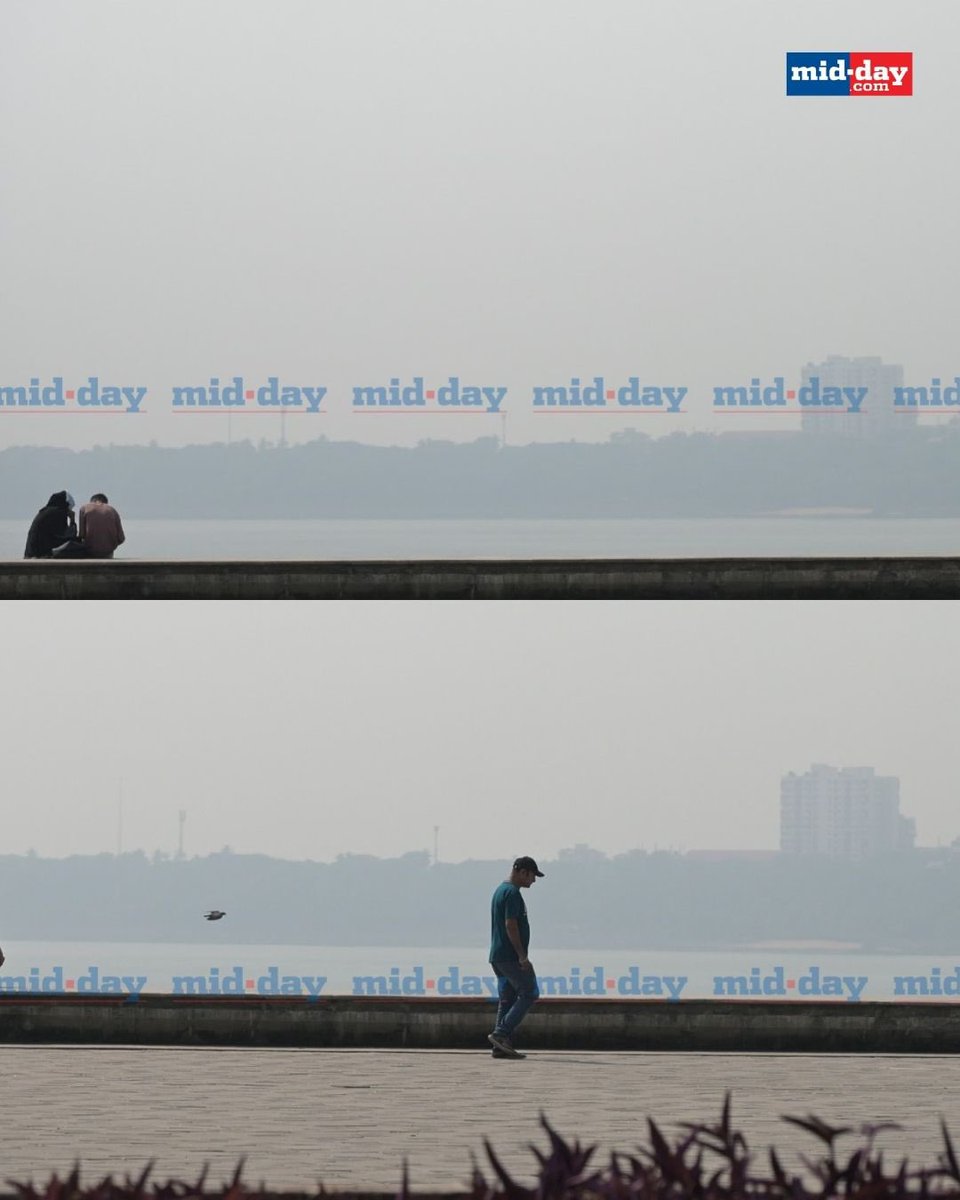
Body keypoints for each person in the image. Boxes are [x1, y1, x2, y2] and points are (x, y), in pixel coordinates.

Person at [487, 855, 545, 1059]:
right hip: (510, 957)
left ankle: (500, 1046)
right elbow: (510, 925)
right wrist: (522, 956)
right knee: (530, 992)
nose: (533, 881)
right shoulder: (512, 893)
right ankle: (500, 1034)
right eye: (532, 876)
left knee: (508, 998)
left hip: (497, 956)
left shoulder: (500, 891)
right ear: (522, 872)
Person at [23, 491, 77, 558]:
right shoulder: (58, 512)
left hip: (30, 553)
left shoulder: (45, 511)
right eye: (69, 507)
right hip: (41, 554)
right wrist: (72, 521)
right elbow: (69, 536)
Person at [78, 493, 126, 559]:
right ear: (105, 502)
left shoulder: (85, 508)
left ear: (92, 501)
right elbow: (121, 538)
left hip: (89, 550)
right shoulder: (112, 510)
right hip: (108, 552)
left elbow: (81, 534)